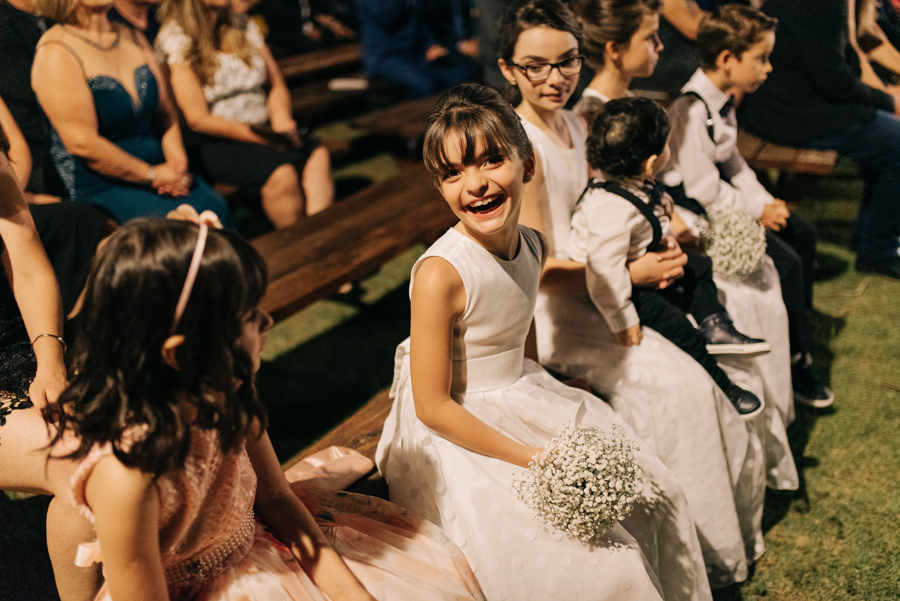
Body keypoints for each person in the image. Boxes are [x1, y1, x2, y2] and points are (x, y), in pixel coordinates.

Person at [375, 82, 711, 601]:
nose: (475, 184)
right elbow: (433, 407)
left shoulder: (533, 244)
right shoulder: (441, 274)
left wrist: (542, 384)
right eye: (453, 173)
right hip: (455, 426)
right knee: (576, 564)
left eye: (491, 161)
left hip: (516, 393)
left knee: (652, 490)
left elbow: (521, 321)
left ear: (527, 165)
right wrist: (533, 456)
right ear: (439, 186)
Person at [42, 215, 485, 601]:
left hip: (262, 550)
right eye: (249, 315)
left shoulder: (224, 390)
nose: (268, 320)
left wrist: (351, 593)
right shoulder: (125, 478)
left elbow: (276, 498)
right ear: (181, 354)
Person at [499, 0, 767, 586]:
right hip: (559, 310)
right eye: (536, 66)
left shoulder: (579, 125)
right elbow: (536, 267)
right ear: (507, 69)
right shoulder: (523, 149)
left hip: (608, 285)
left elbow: (610, 209)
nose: (555, 78)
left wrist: (653, 243)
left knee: (699, 365)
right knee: (677, 389)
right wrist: (630, 271)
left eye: (567, 61)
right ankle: (683, 554)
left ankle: (712, 538)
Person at [570, 0, 800, 492]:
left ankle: (761, 362)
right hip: (625, 265)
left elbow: (652, 189)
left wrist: (682, 229)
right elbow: (605, 214)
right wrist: (652, 257)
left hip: (656, 235)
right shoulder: (592, 119)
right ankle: (726, 370)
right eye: (651, 38)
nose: (662, 47)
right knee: (740, 288)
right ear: (615, 49)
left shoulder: (633, 102)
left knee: (751, 273)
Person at [662, 4, 835, 410]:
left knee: (803, 233)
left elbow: (733, 163)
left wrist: (766, 201)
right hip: (697, 212)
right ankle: (797, 362)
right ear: (728, 59)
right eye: (761, 58)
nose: (768, 68)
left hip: (722, 202)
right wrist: (757, 213)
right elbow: (704, 189)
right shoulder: (691, 110)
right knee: (787, 262)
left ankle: (799, 326)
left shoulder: (721, 100)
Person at [571, 97, 770, 417]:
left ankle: (714, 323)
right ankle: (723, 385)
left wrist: (668, 240)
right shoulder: (609, 208)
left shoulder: (634, 183)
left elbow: (648, 218)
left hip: (642, 261)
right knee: (680, 327)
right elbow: (604, 271)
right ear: (651, 162)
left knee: (700, 266)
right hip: (620, 289)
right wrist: (623, 319)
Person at [31, 0, 234, 227]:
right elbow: (83, 143)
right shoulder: (56, 52)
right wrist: (151, 176)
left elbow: (166, 112)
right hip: (105, 184)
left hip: (163, 167)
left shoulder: (133, 36)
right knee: (176, 228)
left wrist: (178, 163)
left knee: (215, 208)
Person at [738, 0, 900, 279]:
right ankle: (878, 250)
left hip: (788, 106)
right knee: (896, 142)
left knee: (888, 136)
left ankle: (873, 238)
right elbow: (834, 79)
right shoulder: (820, 3)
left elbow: (845, 59)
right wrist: (889, 100)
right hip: (790, 114)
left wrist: (885, 98)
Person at [156, 0, 335, 228]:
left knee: (317, 156)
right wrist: (263, 138)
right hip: (215, 140)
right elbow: (198, 119)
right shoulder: (176, 39)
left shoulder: (242, 24)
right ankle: (297, 241)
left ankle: (320, 234)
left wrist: (281, 120)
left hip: (264, 126)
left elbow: (275, 83)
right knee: (281, 174)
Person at [353, 0, 480, 99]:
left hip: (416, 51)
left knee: (461, 75)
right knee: (425, 85)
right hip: (386, 56)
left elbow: (420, 20)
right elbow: (386, 15)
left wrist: (430, 44)